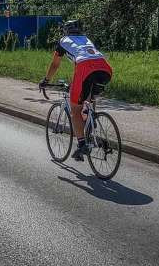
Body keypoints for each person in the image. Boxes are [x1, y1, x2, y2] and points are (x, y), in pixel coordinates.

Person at [40, 20, 112, 161]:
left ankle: (82, 145)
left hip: (85, 68)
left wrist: (46, 80)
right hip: (105, 68)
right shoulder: (86, 39)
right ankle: (90, 119)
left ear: (66, 31)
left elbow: (55, 64)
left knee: (75, 110)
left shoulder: (63, 41)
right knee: (87, 101)